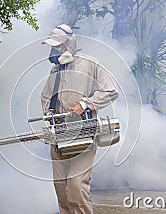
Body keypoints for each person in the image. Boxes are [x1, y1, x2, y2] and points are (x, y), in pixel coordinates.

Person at [41, 24, 119, 214]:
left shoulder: (91, 64)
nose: (55, 50)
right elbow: (46, 97)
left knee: (76, 187)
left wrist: (85, 105)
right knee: (61, 188)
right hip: (59, 137)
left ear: (70, 44)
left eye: (58, 46)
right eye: (53, 47)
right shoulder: (55, 71)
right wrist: (50, 114)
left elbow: (111, 90)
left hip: (84, 135)